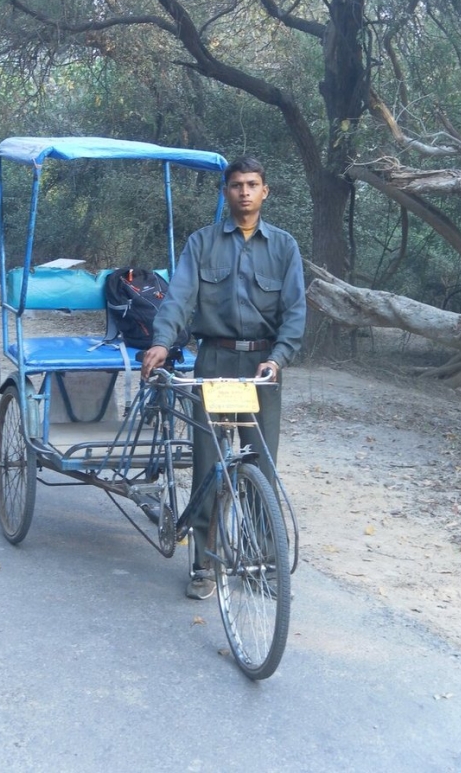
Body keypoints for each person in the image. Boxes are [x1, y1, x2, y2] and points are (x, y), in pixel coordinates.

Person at [140, 156, 307, 599]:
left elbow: (294, 312)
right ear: (226, 192)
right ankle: (203, 565)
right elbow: (178, 298)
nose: (245, 192)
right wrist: (161, 341)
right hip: (212, 364)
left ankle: (262, 562)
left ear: (265, 191)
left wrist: (280, 358)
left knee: (259, 467)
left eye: (253, 184)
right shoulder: (202, 243)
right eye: (236, 185)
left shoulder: (285, 247)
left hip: (261, 370)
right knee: (209, 468)